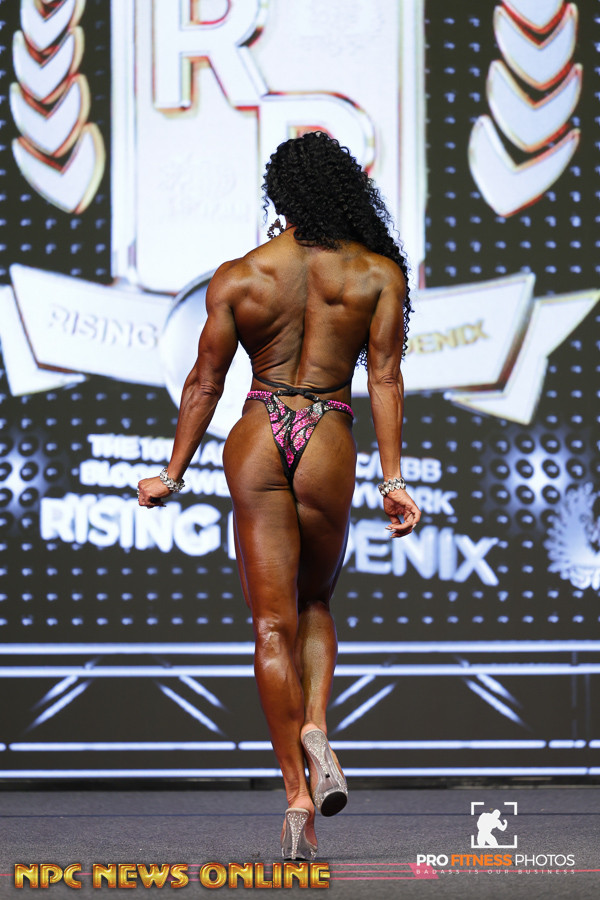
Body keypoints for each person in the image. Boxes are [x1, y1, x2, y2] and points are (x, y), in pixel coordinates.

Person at [137, 131, 421, 860]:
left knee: (270, 627)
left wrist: (171, 474)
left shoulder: (242, 275)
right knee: (314, 602)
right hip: (326, 432)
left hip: (260, 430)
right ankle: (317, 726)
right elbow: (384, 379)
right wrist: (393, 480)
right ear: (345, 192)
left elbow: (203, 383)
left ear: (280, 196)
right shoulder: (377, 273)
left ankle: (297, 797)